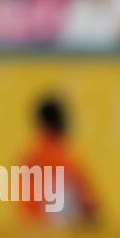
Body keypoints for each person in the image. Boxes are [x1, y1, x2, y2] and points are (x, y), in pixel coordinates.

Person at [16, 96, 100, 225]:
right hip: (56, 224)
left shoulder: (30, 157)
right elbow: (89, 202)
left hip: (34, 224)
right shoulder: (62, 157)